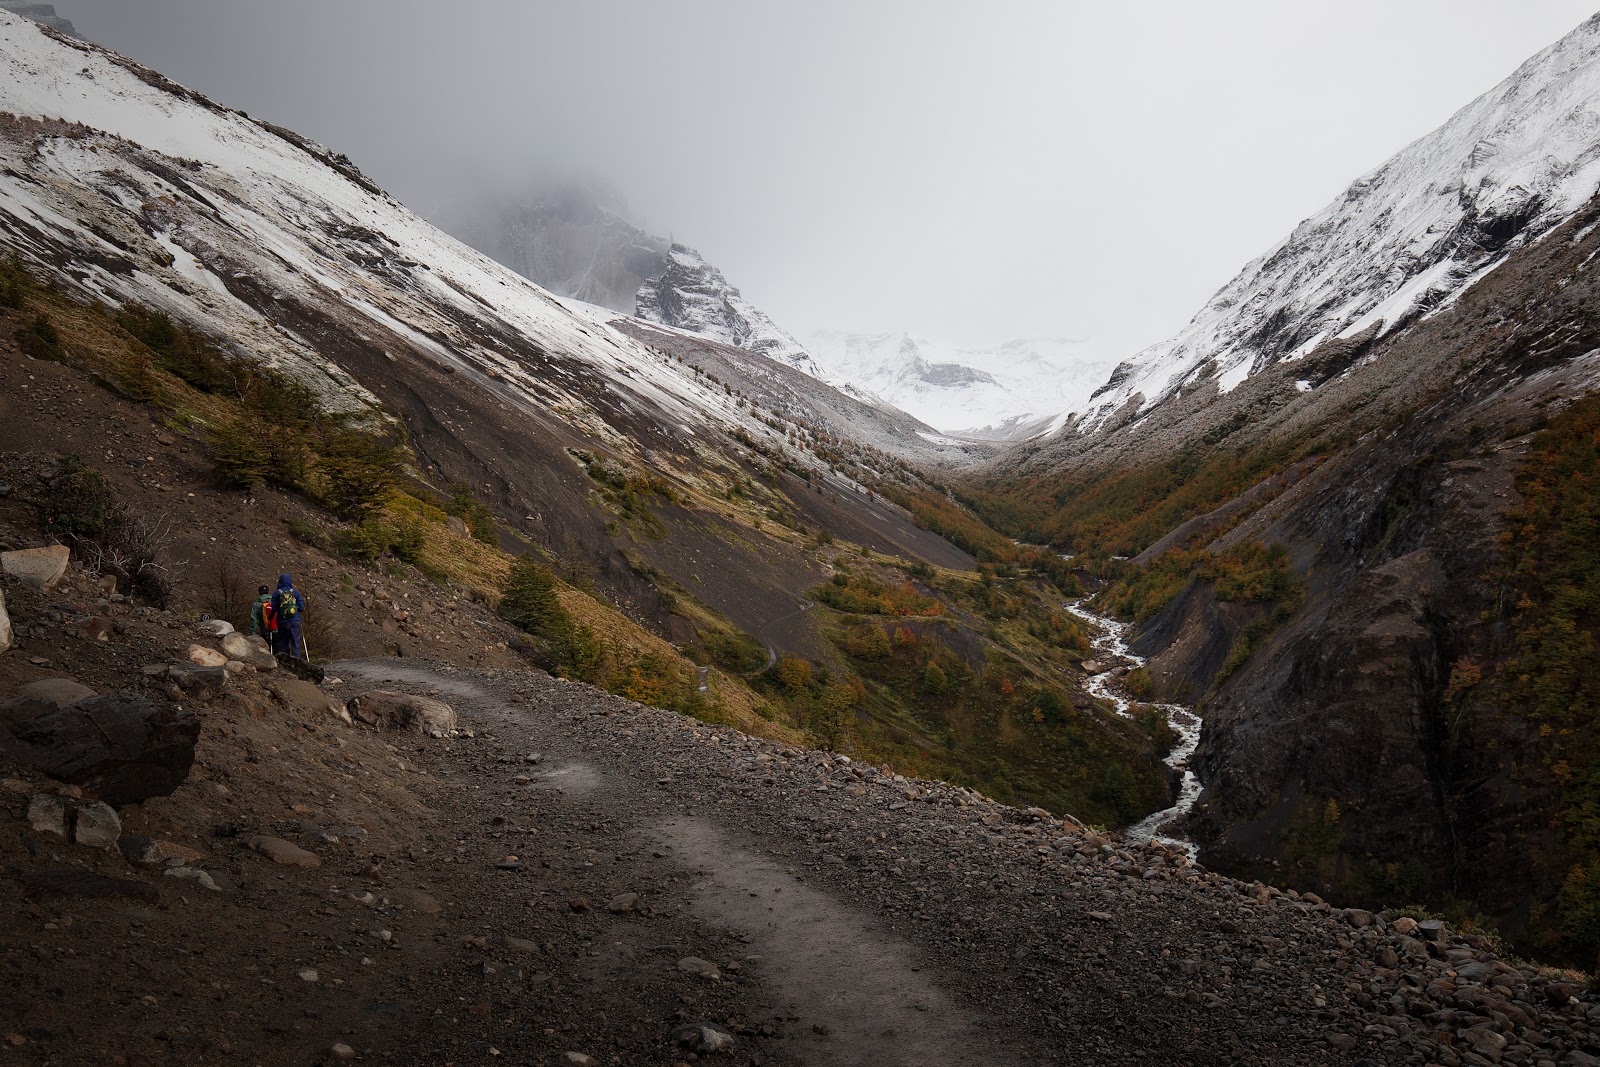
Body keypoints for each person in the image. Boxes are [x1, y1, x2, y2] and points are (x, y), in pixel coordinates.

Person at [271, 572, 306, 661]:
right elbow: (301, 608)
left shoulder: (276, 594)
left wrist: (269, 618)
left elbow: (274, 609)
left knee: (283, 642)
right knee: (295, 642)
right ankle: (296, 661)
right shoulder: (295, 593)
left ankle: (286, 663)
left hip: (282, 622)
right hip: (295, 621)